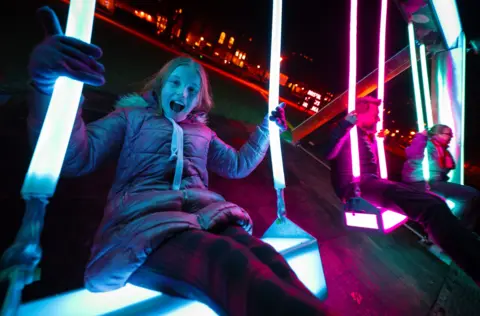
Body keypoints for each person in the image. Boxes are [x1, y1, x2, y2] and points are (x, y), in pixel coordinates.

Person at [26, 7, 327, 316]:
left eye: (192, 89)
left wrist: (266, 128)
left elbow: (237, 165)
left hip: (208, 218)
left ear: (199, 100)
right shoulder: (132, 118)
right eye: (174, 83)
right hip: (144, 227)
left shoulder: (203, 134)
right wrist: (48, 87)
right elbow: (76, 158)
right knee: (229, 265)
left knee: (268, 259)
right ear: (160, 86)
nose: (182, 92)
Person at [323, 96, 480, 287]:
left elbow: (366, 162)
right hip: (357, 187)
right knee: (432, 207)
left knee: (433, 203)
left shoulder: (363, 136)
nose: (379, 119)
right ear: (359, 115)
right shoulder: (347, 131)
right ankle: (473, 261)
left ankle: (466, 249)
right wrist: (345, 125)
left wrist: (376, 142)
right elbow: (329, 152)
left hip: (371, 182)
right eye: (375, 115)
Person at [402, 124, 480, 228]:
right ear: (437, 134)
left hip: (434, 182)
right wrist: (420, 137)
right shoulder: (427, 145)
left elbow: (446, 168)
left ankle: (452, 227)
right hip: (421, 183)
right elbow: (412, 153)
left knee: (469, 196)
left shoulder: (443, 150)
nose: (451, 137)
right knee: (471, 195)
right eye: (448, 134)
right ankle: (452, 228)